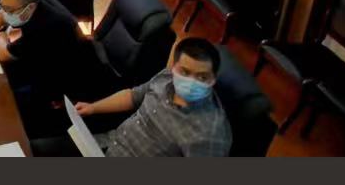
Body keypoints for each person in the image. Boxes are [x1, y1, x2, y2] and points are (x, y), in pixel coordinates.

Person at [0, 0, 113, 135]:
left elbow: (2, 53)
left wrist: (1, 34)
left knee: (3, 104)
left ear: (29, 7)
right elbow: (1, 16)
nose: (5, 12)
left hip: (68, 86)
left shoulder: (47, 27)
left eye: (10, 10)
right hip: (47, 60)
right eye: (2, 5)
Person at [62, 37, 233, 157]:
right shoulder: (166, 78)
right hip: (106, 143)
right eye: (185, 72)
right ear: (174, 68)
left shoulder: (210, 135)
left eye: (202, 77)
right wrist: (93, 108)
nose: (191, 82)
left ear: (213, 80)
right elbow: (132, 96)